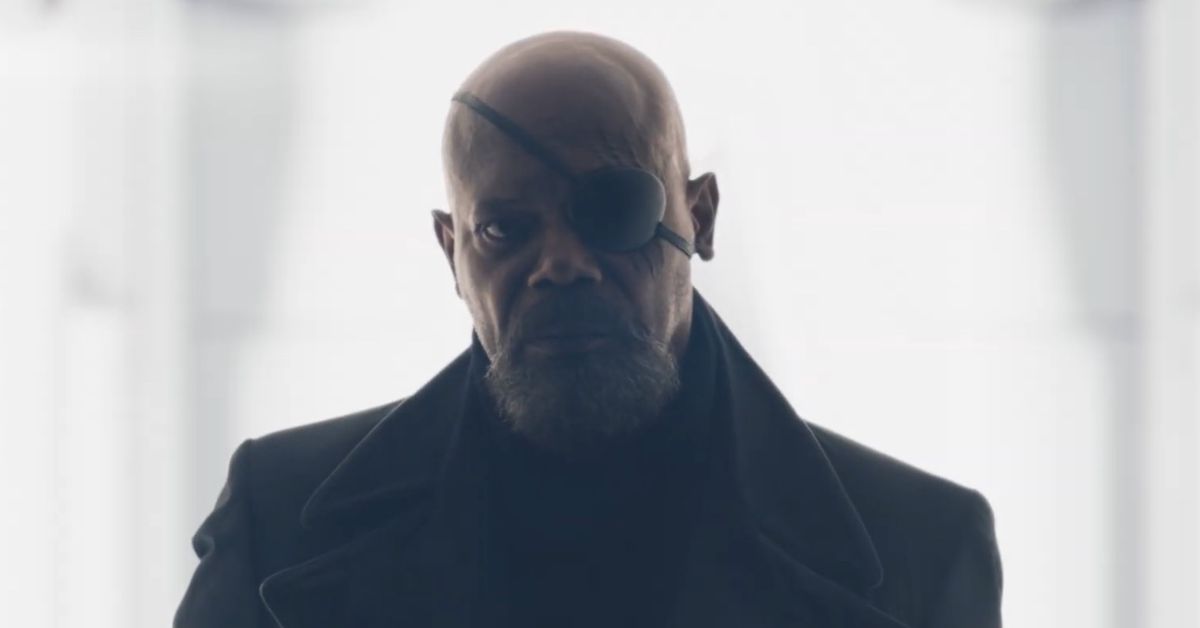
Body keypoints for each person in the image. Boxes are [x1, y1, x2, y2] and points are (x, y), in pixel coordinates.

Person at [175, 31, 1003, 628]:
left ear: (702, 217)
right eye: (505, 228)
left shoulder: (920, 550)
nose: (562, 264)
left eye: (613, 210)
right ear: (451, 251)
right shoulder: (278, 520)